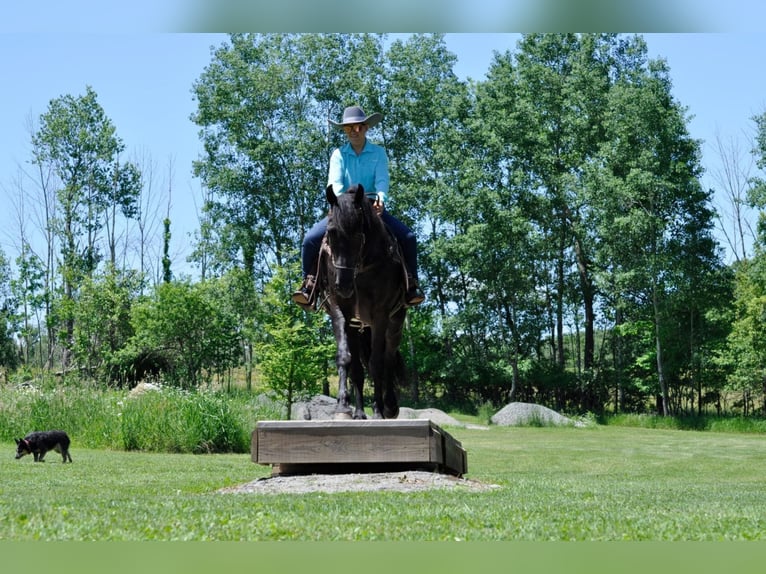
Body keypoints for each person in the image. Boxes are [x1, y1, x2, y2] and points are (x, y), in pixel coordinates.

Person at [292, 105, 425, 311]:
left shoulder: (378, 153)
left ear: (366, 128)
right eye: (349, 128)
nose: (354, 131)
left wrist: (381, 197)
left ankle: (411, 284)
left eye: (359, 127)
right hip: (343, 209)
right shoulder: (338, 154)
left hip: (372, 208)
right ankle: (309, 285)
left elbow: (382, 180)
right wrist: (343, 203)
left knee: (408, 237)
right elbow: (334, 183)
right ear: (345, 130)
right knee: (310, 239)